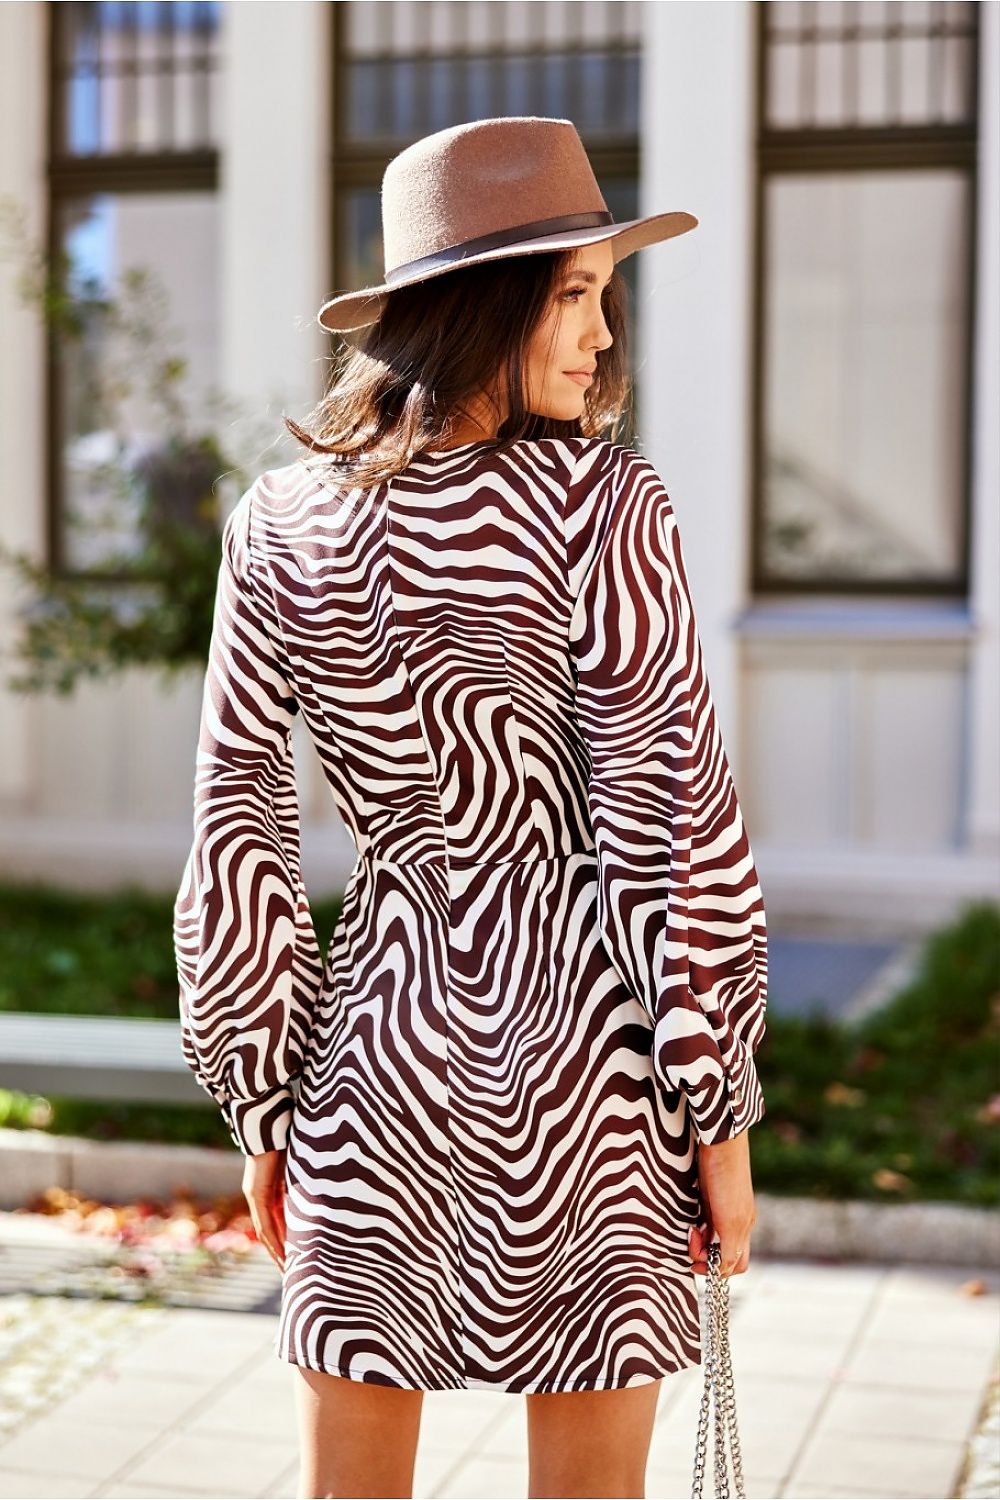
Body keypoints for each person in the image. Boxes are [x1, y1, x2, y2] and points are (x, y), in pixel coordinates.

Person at [172, 116, 768, 1500]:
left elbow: (238, 831)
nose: (603, 336)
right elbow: (667, 823)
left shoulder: (279, 525)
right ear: (480, 305)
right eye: (573, 294)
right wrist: (719, 1121)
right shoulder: (609, 506)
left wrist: (264, 1105)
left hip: (372, 1071)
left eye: (604, 297)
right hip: (589, 1077)